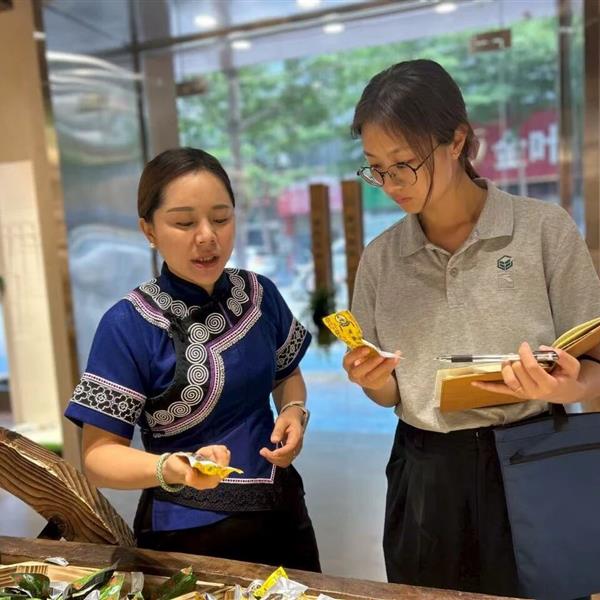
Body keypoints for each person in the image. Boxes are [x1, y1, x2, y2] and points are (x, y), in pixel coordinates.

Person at [343, 59, 600, 596]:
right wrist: (373, 380)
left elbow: (594, 369)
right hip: (425, 468)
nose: (390, 183)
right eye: (375, 168)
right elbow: (390, 393)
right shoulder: (381, 258)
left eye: (403, 163)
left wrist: (568, 387)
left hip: (533, 452)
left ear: (457, 141)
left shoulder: (542, 230)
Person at [65, 147, 320, 571]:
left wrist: (294, 410)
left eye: (221, 218)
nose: (207, 236)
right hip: (185, 532)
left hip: (283, 512)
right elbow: (98, 458)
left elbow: (286, 374)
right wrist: (175, 467)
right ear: (148, 230)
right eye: (184, 223)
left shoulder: (260, 294)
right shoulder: (128, 323)